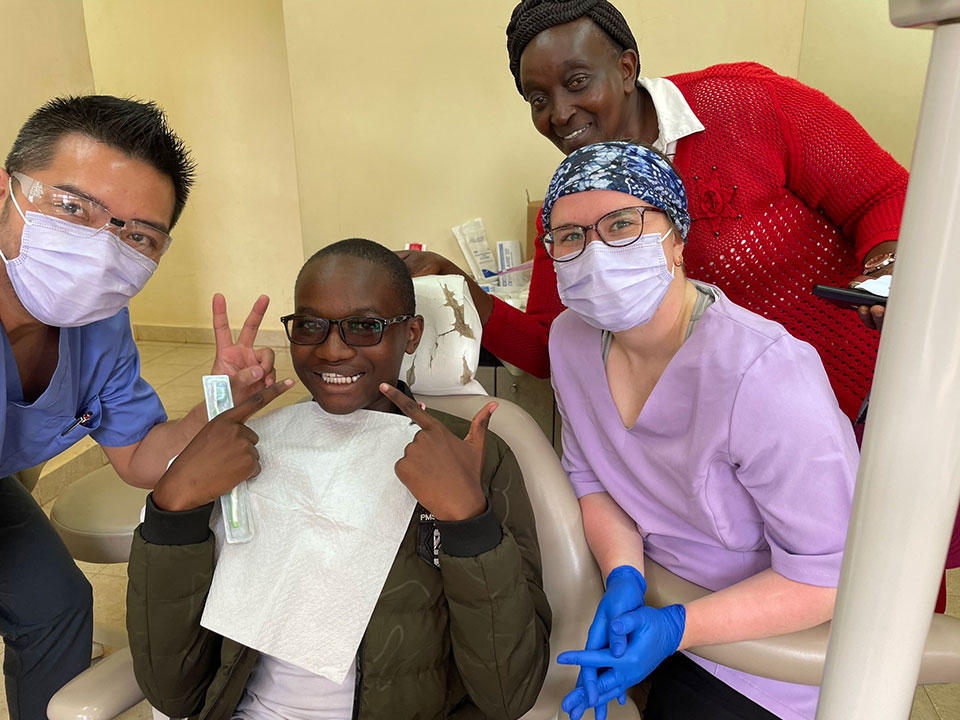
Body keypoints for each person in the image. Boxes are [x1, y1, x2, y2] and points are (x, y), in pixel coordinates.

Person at [400, 0, 906, 426]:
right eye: (538, 99)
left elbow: (884, 196)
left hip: (874, 394)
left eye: (577, 81)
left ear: (626, 68)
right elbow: (549, 349)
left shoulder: (750, 106)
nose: (558, 113)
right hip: (743, 434)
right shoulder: (573, 212)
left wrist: (886, 275)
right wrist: (459, 287)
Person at [126, 238, 551, 720]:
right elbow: (173, 691)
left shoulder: (471, 456)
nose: (331, 350)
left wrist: (467, 523)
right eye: (310, 325)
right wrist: (173, 507)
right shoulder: (245, 448)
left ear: (412, 334)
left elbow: (507, 694)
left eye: (365, 327)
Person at [543, 142, 857, 720]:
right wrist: (625, 578)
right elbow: (591, 478)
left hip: (770, 642)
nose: (595, 252)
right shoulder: (570, 340)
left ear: (677, 237)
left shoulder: (764, 372)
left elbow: (830, 577)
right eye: (569, 237)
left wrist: (676, 627)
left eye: (621, 225)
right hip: (654, 597)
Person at [0, 96, 275, 718]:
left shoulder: (100, 326)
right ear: (5, 193)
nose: (102, 249)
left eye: (138, 234)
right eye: (73, 208)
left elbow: (143, 458)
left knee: (54, 603)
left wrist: (217, 403)